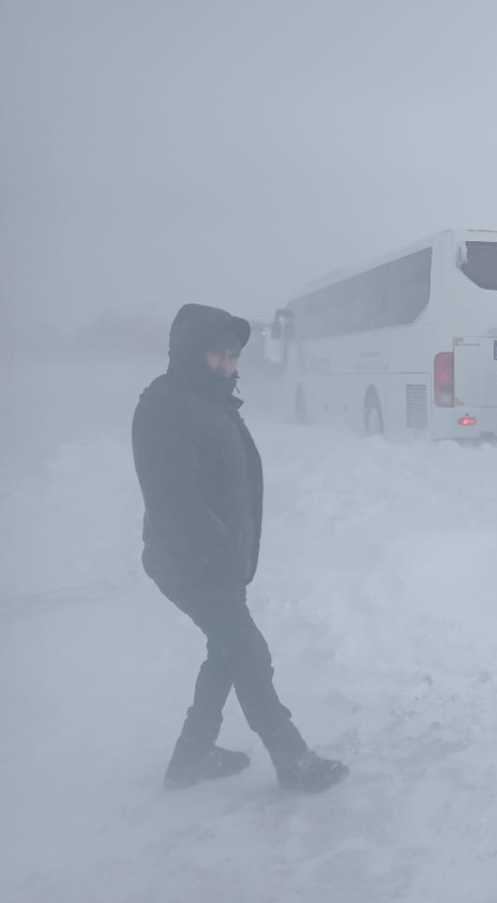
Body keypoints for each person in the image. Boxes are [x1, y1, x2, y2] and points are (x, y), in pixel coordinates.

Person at [132, 303, 348, 793]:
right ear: (190, 352)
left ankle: (192, 754)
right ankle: (292, 759)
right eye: (218, 357)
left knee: (227, 650)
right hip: (193, 562)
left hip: (216, 561)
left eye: (232, 358)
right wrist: (220, 553)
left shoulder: (203, 399)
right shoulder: (167, 407)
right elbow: (176, 500)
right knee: (248, 653)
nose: (229, 367)